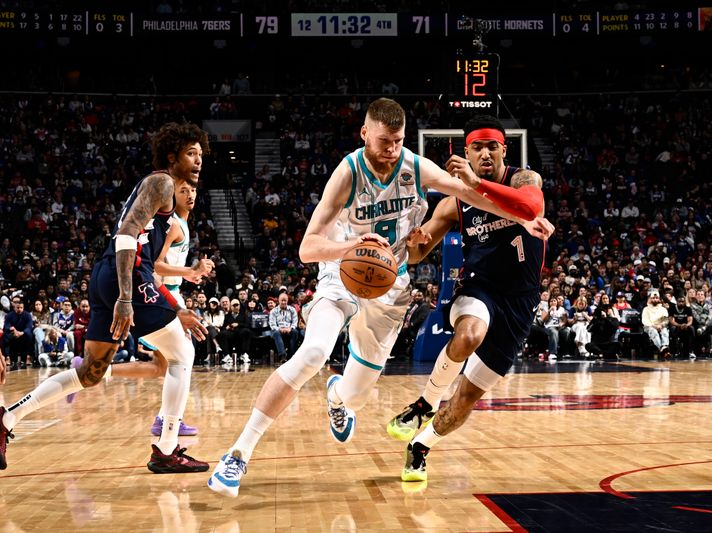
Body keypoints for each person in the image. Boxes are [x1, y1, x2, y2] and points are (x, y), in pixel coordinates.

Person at [207, 100, 550, 496]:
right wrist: (353, 246)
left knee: (355, 395)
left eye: (398, 141)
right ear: (365, 134)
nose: (391, 149)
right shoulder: (347, 173)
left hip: (391, 286)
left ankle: (338, 396)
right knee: (314, 351)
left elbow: (472, 195)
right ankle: (237, 454)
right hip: (344, 271)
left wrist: (527, 216)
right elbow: (307, 249)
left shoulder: (417, 167)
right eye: (384, 141)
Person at [0, 122, 209, 473]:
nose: (198, 160)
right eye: (191, 153)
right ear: (172, 157)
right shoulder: (160, 182)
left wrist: (156, 301)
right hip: (126, 276)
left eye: (201, 154)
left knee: (92, 373)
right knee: (181, 354)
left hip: (109, 274)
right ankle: (167, 449)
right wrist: (126, 296)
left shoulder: (166, 194)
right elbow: (127, 233)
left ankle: (7, 418)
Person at [384, 114, 553, 483]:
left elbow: (529, 208)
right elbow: (417, 252)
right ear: (466, 152)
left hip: (520, 304)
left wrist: (478, 184)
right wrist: (415, 245)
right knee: (470, 334)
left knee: (466, 399)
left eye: (492, 146)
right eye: (477, 147)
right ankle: (423, 404)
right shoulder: (453, 203)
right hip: (478, 289)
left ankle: (420, 445)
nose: (485, 153)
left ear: (504, 150)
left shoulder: (524, 180)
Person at [105, 180, 213, 437]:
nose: (190, 195)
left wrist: (191, 273)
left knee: (161, 367)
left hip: (169, 294)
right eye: (183, 191)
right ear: (172, 195)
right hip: (163, 298)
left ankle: (99, 372)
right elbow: (153, 264)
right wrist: (188, 271)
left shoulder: (184, 224)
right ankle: (167, 422)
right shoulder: (174, 224)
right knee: (182, 358)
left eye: (193, 190)